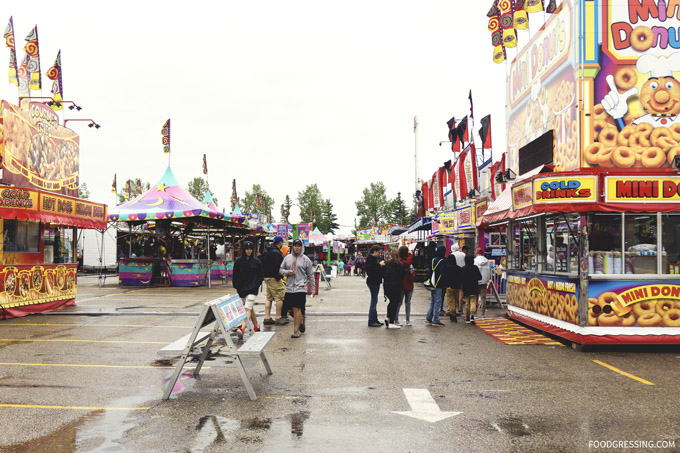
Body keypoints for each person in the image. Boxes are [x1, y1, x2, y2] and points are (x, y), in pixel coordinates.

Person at [280, 239, 315, 338]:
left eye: (299, 245)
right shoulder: (287, 258)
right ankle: (301, 321)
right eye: (295, 245)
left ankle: (296, 331)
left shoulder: (306, 260)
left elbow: (311, 275)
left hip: (301, 288)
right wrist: (287, 272)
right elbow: (280, 270)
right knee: (289, 310)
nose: (297, 247)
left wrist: (313, 289)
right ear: (292, 247)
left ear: (302, 247)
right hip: (289, 288)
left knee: (297, 308)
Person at [232, 241, 263, 333]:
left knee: (247, 308)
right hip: (242, 290)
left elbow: (260, 276)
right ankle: (256, 326)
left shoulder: (257, 262)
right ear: (243, 250)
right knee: (250, 307)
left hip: (253, 290)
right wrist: (237, 287)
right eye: (247, 249)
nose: (249, 251)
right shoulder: (238, 262)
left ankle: (242, 328)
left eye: (250, 249)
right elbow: (235, 276)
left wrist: (256, 286)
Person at [260, 236, 288, 326]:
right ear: (280, 243)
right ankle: (278, 317)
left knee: (269, 297)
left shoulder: (267, 251)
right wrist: (279, 276)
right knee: (280, 295)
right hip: (274, 278)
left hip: (266, 277)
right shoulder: (276, 253)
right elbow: (277, 266)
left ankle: (267, 317)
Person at [383, 248, 406, 329]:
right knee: (394, 303)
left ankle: (388, 317)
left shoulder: (386, 263)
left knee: (391, 302)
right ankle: (391, 321)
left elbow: (383, 273)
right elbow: (403, 275)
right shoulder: (401, 265)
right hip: (397, 286)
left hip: (387, 286)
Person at [426, 245, 447, 326]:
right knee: (438, 301)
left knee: (433, 300)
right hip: (439, 284)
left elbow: (430, 271)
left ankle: (429, 316)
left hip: (432, 283)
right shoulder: (443, 261)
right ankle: (436, 319)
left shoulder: (433, 260)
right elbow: (444, 274)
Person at [365, 245, 385, 327]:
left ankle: (375, 319)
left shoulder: (374, 259)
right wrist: (379, 265)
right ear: (375, 251)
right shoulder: (370, 259)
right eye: (378, 252)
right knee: (373, 301)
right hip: (373, 282)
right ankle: (371, 321)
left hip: (376, 281)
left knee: (375, 301)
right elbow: (371, 270)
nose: (379, 254)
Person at [396, 245, 415, 326]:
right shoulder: (409, 261)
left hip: (400, 285)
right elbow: (413, 273)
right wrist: (410, 254)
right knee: (408, 303)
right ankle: (407, 320)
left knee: (399, 303)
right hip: (409, 284)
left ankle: (396, 319)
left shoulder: (397, 261)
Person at [462, 253, 483, 325]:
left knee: (467, 303)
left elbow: (461, 279)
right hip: (474, 287)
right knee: (473, 302)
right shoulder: (475, 268)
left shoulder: (463, 268)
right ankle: (472, 317)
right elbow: (480, 277)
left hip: (466, 288)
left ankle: (467, 317)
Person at [445, 245, 462, 323]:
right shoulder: (458, 268)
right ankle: (453, 313)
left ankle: (453, 315)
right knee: (455, 301)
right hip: (457, 287)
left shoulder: (446, 267)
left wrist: (447, 285)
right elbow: (460, 277)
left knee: (450, 301)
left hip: (449, 287)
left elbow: (446, 277)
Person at [474, 248, 491, 317]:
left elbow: (474, 271)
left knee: (475, 297)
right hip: (484, 281)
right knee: (483, 298)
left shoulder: (475, 260)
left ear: (476, 253)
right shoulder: (487, 260)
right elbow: (489, 270)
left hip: (476, 281)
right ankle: (482, 313)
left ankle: (474, 312)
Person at [451, 244, 466, 314]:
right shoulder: (463, 254)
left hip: (453, 274)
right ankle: (460, 307)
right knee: (461, 291)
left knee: (452, 291)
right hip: (462, 273)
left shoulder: (451, 255)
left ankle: (451, 307)